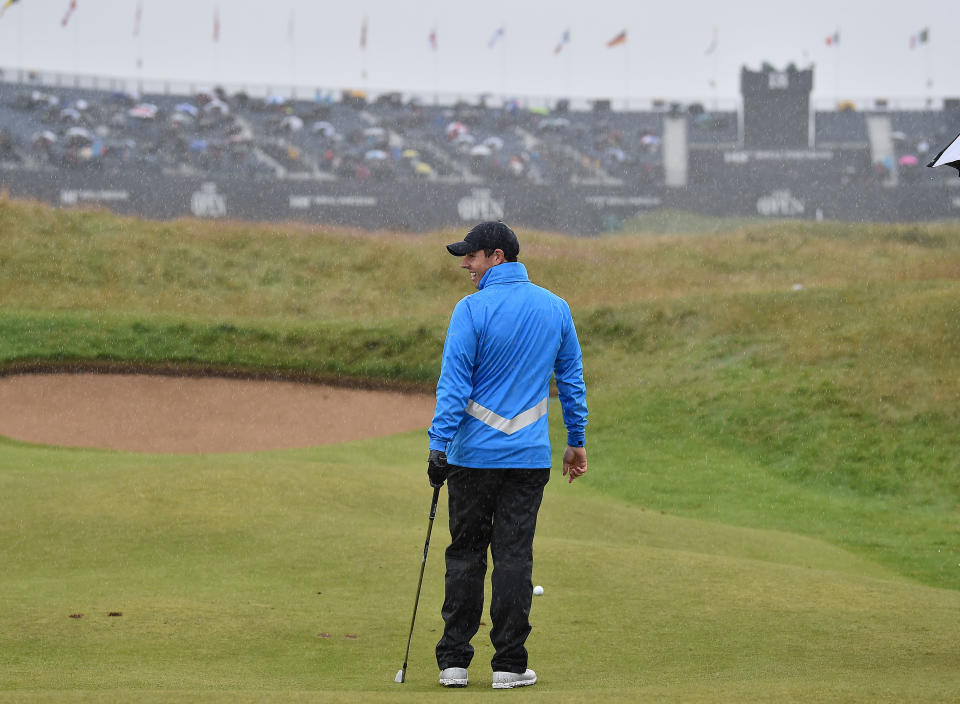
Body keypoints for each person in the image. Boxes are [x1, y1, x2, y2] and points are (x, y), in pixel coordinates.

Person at [426, 221, 588, 690]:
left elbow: (454, 385)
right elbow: (571, 384)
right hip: (527, 459)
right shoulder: (555, 308)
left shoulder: (471, 309)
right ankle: (509, 666)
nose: (465, 265)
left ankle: (454, 663)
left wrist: (439, 444)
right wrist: (576, 441)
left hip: (472, 458)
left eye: (471, 257)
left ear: (497, 256)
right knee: (514, 558)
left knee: (466, 555)